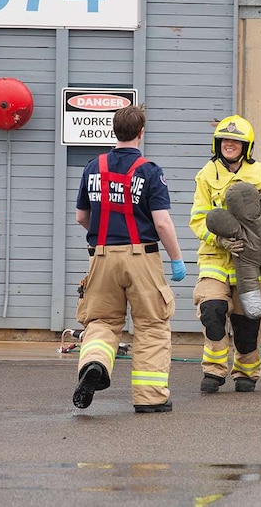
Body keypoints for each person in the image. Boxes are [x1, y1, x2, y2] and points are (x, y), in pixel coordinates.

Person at [73, 105, 186, 413]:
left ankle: (94, 364)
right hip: (142, 257)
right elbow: (162, 222)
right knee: (152, 324)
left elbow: (81, 216)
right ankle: (150, 398)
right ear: (141, 133)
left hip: (101, 257)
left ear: (114, 131)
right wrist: (176, 258)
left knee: (102, 320)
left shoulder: (92, 167)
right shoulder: (150, 171)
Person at [189, 115, 261, 394]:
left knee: (249, 320)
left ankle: (247, 372)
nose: (230, 144)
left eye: (236, 141)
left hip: (250, 263)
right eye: (225, 140)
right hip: (216, 259)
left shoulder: (260, 173)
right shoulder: (206, 174)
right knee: (212, 311)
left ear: (246, 146)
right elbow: (198, 219)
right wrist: (218, 239)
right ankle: (214, 370)